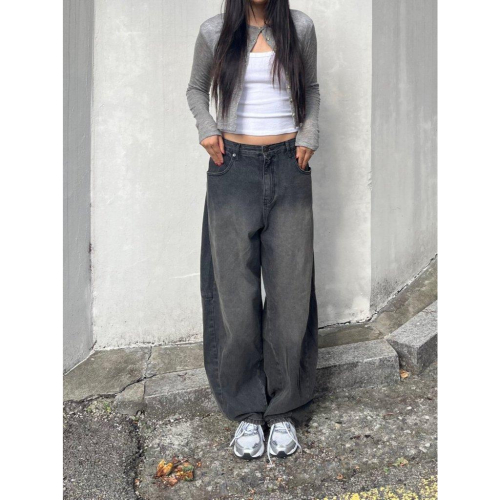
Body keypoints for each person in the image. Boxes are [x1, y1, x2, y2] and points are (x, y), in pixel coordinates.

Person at [186, 0, 320, 461]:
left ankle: (284, 408)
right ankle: (246, 409)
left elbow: (312, 89)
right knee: (234, 293)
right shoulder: (215, 31)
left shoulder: (300, 27)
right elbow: (196, 89)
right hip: (232, 169)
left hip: (289, 167)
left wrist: (309, 133)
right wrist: (207, 128)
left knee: (290, 291)